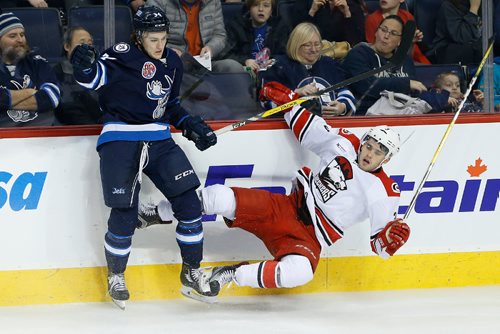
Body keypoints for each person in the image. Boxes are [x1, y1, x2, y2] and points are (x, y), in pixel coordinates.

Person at [140, 81, 410, 299]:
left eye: (378, 152)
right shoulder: (345, 143)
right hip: (286, 207)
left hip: (308, 237)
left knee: (300, 273)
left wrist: (391, 238)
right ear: (364, 142)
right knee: (217, 196)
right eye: (370, 145)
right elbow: (307, 127)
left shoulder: (384, 192)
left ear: (387, 159)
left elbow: (381, 248)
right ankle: (155, 213)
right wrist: (289, 100)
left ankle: (227, 275)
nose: (369, 153)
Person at [70, 6, 217, 309]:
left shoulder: (173, 61)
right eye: (153, 39)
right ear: (138, 37)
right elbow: (92, 79)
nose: (159, 45)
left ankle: (191, 271)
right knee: (125, 210)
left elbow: (170, 104)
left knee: (190, 202)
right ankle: (117, 275)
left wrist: (190, 124)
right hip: (121, 137)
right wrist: (83, 67)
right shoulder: (121, 55)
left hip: (159, 138)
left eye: (163, 38)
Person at [259, 22, 356, 116]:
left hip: (330, 126)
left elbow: (345, 91)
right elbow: (266, 102)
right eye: (307, 45)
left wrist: (342, 107)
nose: (314, 50)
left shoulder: (329, 64)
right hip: (288, 129)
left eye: (317, 44)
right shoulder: (279, 66)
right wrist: (295, 94)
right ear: (296, 45)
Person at [342, 15, 427, 115]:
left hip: (402, 114)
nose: (386, 36)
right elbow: (367, 86)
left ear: (400, 41)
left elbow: (415, 92)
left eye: (393, 33)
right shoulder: (359, 54)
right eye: (383, 30)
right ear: (376, 32)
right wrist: (405, 84)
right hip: (366, 116)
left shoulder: (405, 60)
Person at [147, 0, 245, 73]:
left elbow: (220, 35)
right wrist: (169, 51)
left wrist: (211, 48)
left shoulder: (213, 1)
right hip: (172, 63)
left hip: (205, 63)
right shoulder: (157, 2)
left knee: (233, 67)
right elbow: (148, 38)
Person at [0, 12, 61, 127]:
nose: (20, 40)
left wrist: (6, 101)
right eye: (13, 36)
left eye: (22, 35)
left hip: (42, 133)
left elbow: (52, 97)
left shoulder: (37, 62)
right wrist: (29, 92)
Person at [223, 0, 290, 74]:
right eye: (256, 5)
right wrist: (245, 61)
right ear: (249, 8)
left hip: (271, 70)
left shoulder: (280, 27)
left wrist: (273, 60)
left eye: (266, 6)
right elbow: (226, 53)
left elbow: (286, 53)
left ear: (271, 11)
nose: (261, 9)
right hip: (245, 70)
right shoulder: (236, 26)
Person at [53, 26, 101, 125]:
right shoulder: (58, 72)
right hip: (74, 132)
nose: (88, 47)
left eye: (90, 43)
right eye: (82, 43)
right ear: (67, 46)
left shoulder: (100, 70)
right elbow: (68, 108)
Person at [365, 0, 430, 64]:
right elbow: (374, 53)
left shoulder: (407, 16)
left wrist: (411, 41)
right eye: (384, 30)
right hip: (387, 63)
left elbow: (412, 52)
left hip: (414, 58)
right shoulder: (372, 20)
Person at [428, 0, 482, 65]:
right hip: (449, 54)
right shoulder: (448, 6)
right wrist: (474, 9)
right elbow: (462, 38)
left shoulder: (485, 6)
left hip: (473, 56)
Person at [292, 0, 366, 47]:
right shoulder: (306, 3)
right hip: (315, 51)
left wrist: (347, 14)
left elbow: (356, 41)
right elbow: (297, 37)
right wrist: (312, 12)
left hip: (343, 54)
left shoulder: (352, 5)